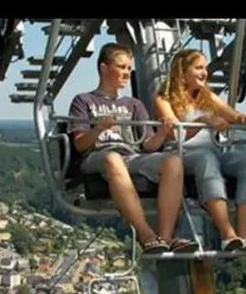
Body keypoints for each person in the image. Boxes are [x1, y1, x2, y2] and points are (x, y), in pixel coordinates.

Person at [68, 43, 199, 255]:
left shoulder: (134, 105)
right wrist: (98, 128)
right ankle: (145, 234)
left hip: (131, 156)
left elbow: (148, 145)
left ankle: (165, 237)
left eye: (129, 68)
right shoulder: (84, 101)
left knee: (173, 161)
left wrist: (162, 133)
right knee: (112, 158)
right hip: (97, 156)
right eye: (121, 67)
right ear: (104, 68)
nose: (127, 73)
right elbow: (80, 143)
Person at [153, 48, 246, 252]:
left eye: (204, 68)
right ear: (182, 71)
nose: (204, 73)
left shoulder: (207, 97)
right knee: (206, 159)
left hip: (213, 152)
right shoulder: (164, 99)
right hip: (181, 155)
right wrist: (202, 120)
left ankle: (244, 234)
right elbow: (174, 135)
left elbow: (230, 114)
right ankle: (227, 233)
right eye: (198, 68)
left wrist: (243, 119)